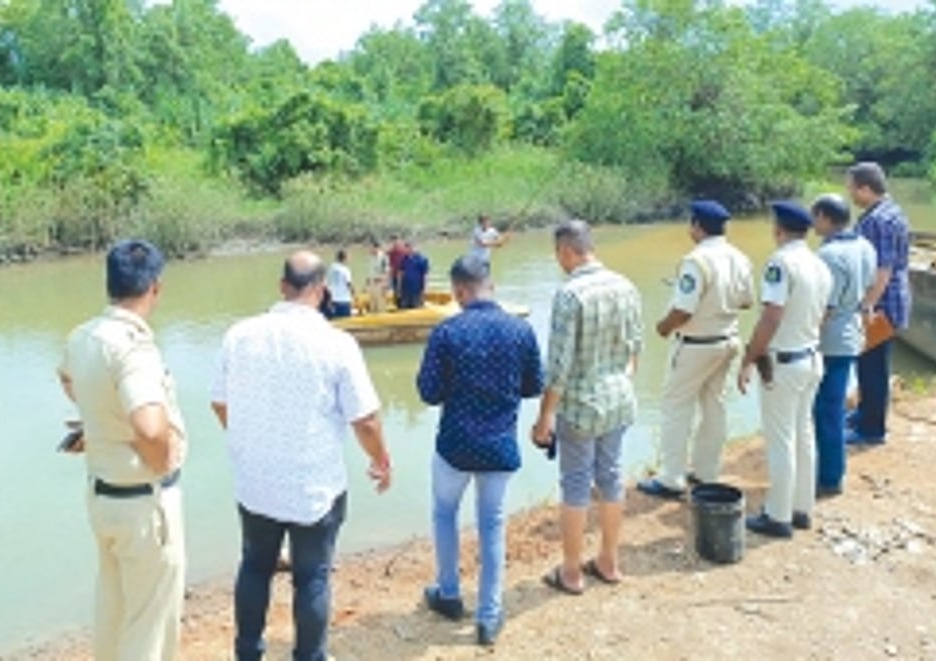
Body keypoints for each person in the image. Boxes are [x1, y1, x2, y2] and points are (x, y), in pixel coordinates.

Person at [211, 251, 392, 661]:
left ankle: (248, 652)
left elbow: (220, 403)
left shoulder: (240, 335)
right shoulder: (337, 343)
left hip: (256, 481)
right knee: (312, 577)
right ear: (322, 291)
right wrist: (381, 460)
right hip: (315, 485)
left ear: (282, 287)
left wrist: (249, 440)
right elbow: (365, 421)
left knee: (255, 566)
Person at [57, 239, 187, 661]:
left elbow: (67, 379)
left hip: (103, 495)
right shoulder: (134, 348)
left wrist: (102, 420)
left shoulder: (82, 336)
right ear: (155, 287)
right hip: (143, 501)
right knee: (150, 626)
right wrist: (161, 464)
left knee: (113, 612)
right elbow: (150, 426)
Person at [416, 255, 545, 646]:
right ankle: (488, 616)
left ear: (458, 291)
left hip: (455, 444)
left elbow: (428, 392)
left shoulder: (447, 332)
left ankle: (449, 593)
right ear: (492, 285)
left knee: (444, 514)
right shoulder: (520, 330)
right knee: (492, 524)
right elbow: (534, 386)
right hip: (499, 446)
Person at [531, 220, 643, 593]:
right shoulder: (626, 285)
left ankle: (571, 571)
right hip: (619, 399)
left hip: (581, 406)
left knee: (576, 484)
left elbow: (558, 366)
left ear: (566, 251)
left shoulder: (570, 294)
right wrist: (622, 382)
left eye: (557, 255)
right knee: (611, 476)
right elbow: (636, 348)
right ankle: (609, 561)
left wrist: (545, 416)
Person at [637, 200, 754, 499]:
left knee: (676, 406)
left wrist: (663, 327)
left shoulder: (696, 261)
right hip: (727, 339)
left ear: (697, 226)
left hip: (696, 344)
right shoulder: (739, 258)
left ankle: (671, 477)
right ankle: (706, 471)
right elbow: (747, 301)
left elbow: (683, 310)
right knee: (714, 406)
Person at [738, 202, 832, 539]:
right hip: (811, 356)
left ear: (778, 229)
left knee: (781, 439)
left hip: (785, 362)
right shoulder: (819, 264)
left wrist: (750, 357)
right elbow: (824, 313)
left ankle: (777, 516)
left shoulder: (780, 263)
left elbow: (771, 316)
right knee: (804, 435)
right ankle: (801, 509)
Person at [811, 194, 877, 497]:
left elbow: (825, 307)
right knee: (832, 405)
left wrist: (807, 338)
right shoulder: (865, 246)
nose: (813, 224)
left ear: (825, 217)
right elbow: (869, 288)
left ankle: (828, 476)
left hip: (830, 340)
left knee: (826, 409)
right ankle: (830, 472)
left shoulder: (829, 255)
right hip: (852, 333)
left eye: (815, 217)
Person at [846, 162, 911, 445]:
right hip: (893, 299)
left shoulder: (877, 221)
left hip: (881, 304)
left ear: (865, 188)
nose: (850, 194)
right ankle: (865, 413)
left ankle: (872, 430)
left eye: (851, 188)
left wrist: (867, 306)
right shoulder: (893, 211)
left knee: (872, 368)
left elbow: (882, 269)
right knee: (870, 364)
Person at [398, 241, 429, 310]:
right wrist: (399, 289)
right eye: (406, 248)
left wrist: (425, 288)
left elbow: (425, 275)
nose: (408, 250)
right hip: (405, 289)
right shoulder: (403, 259)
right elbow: (400, 274)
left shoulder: (422, 259)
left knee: (416, 307)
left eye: (410, 247)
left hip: (417, 289)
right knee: (404, 307)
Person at [326, 249, 355, 319]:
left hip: (333, 299)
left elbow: (328, 282)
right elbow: (349, 284)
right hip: (344, 300)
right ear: (344, 258)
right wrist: (354, 294)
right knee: (346, 321)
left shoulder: (331, 268)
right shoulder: (345, 270)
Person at [366, 240, 391, 313]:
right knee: (372, 304)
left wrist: (384, 286)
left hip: (380, 284)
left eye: (372, 248)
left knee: (380, 305)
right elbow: (371, 270)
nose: (370, 249)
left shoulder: (383, 258)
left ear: (377, 248)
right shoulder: (371, 257)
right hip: (371, 284)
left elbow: (387, 272)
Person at [386, 235, 407, 305]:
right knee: (396, 291)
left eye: (396, 241)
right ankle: (397, 304)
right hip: (394, 274)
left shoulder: (404, 250)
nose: (395, 243)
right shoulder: (391, 252)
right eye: (393, 241)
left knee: (402, 290)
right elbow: (390, 264)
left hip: (403, 275)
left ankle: (404, 304)